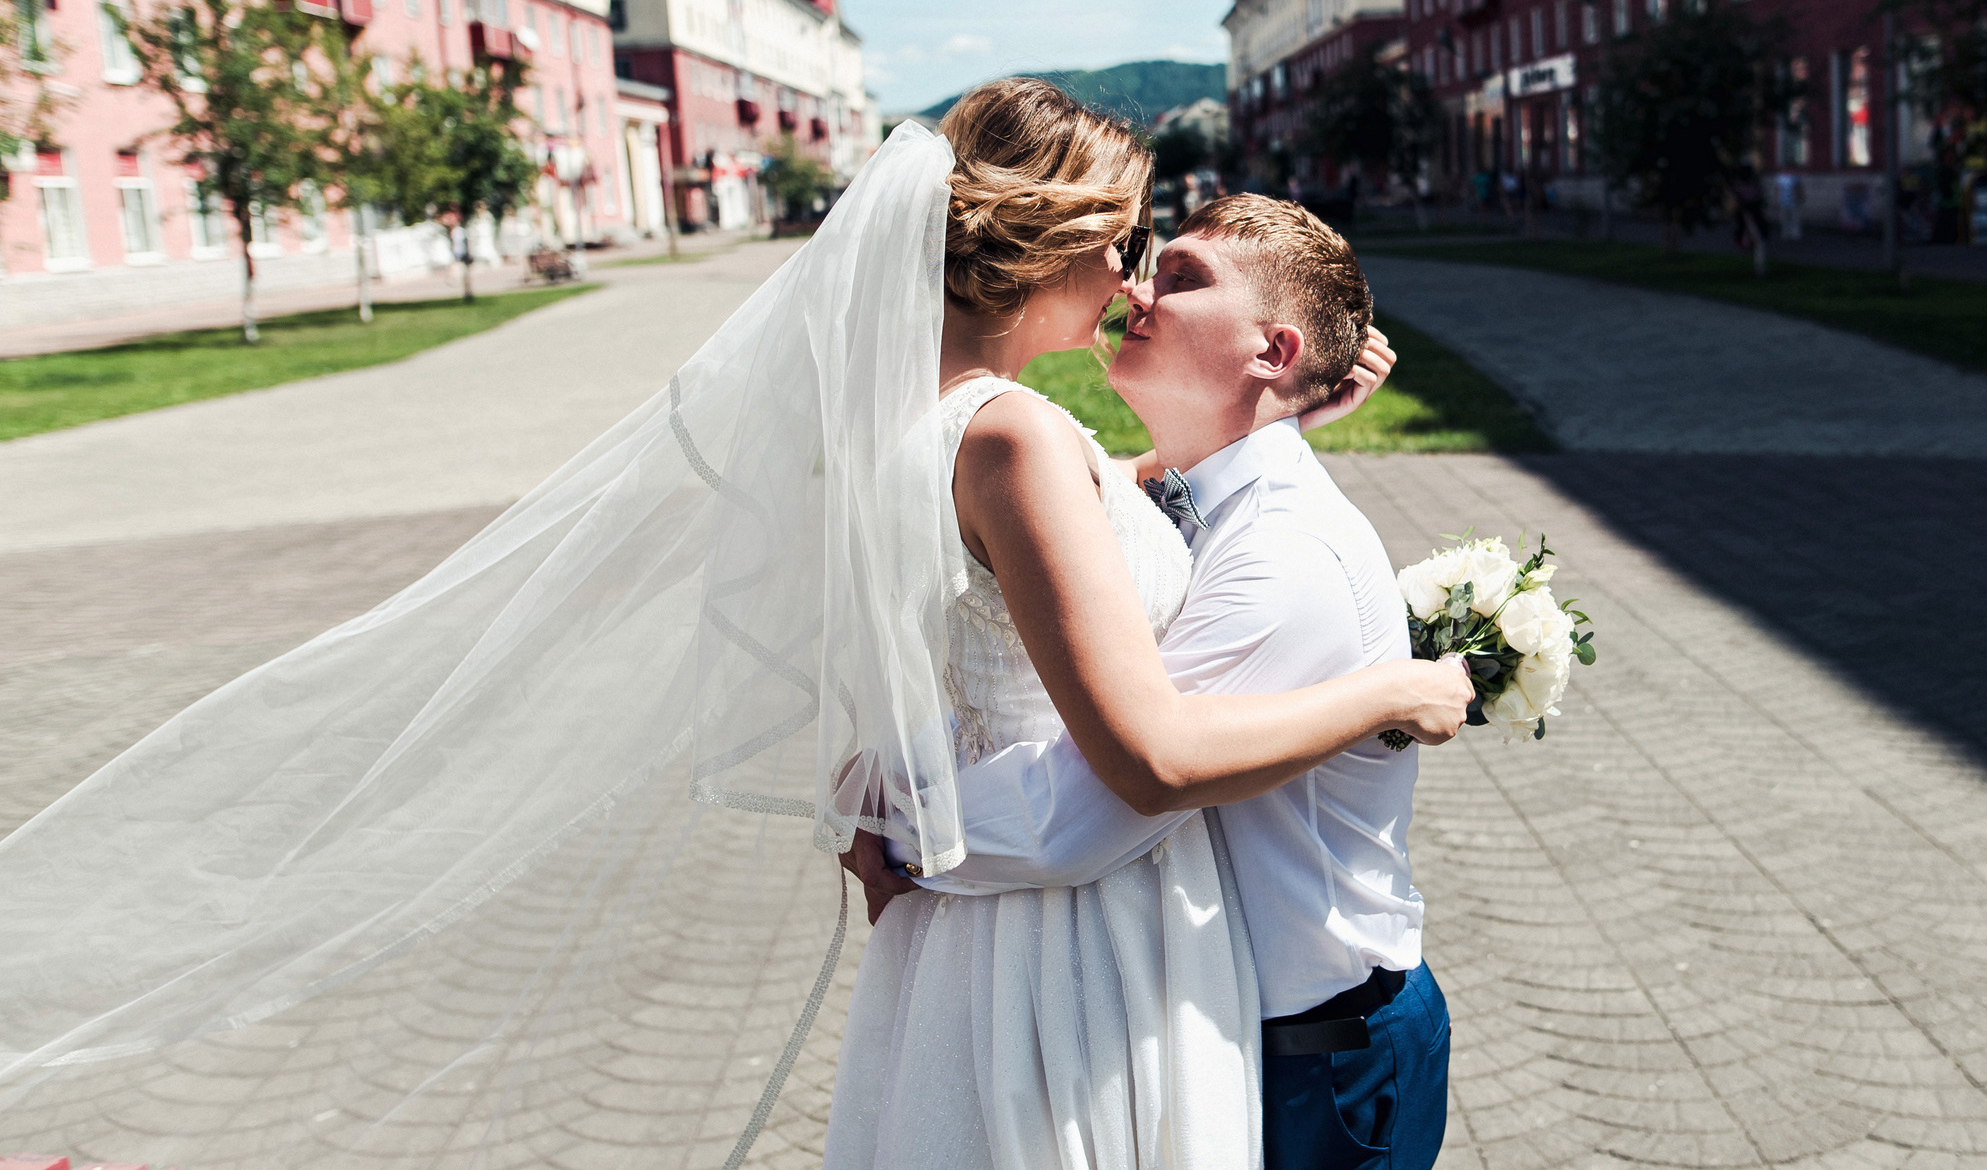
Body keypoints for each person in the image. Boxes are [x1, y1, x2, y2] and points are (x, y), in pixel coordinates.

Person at [0, 82, 1468, 1168]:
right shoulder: (1017, 437)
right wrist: (1393, 687)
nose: (1136, 277)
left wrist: (1286, 409)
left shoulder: (933, 427)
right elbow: (1143, 756)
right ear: (1057, 239)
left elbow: (1087, 527)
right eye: (1132, 240)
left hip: (982, 933)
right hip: (1071, 940)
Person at [844, 193, 1452, 1170]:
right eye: (1147, 267)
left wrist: (898, 821)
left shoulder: (1280, 558)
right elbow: (1149, 499)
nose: (1136, 290)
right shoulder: (1199, 497)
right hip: (1259, 1026)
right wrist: (1296, 411)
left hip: (1323, 1057)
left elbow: (1092, 810)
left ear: (1271, 352)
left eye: (1181, 278)